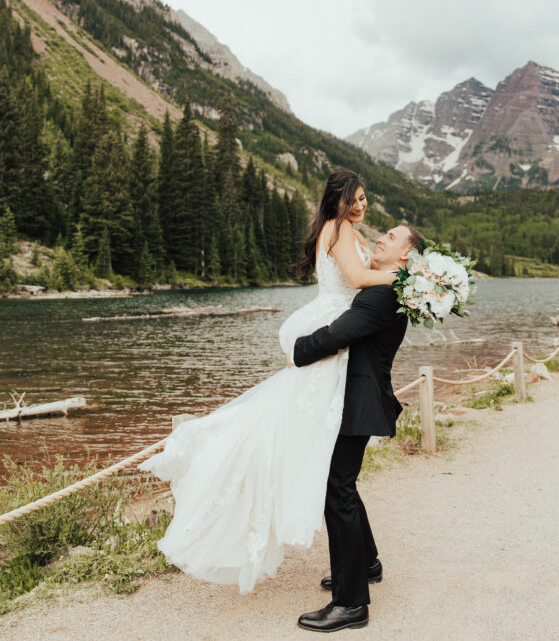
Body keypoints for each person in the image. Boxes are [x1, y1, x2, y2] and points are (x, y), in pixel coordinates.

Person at [139, 170, 397, 595]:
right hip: (333, 327)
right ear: (338, 198)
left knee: (334, 468)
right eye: (356, 197)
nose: (362, 204)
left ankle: (363, 562)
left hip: (342, 329)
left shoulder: (344, 230)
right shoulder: (337, 229)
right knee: (320, 455)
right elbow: (356, 280)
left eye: (366, 198)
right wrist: (406, 279)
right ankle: (358, 564)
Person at [291, 222, 425, 633]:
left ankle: (351, 604)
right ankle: (366, 564)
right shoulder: (391, 288)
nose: (381, 238)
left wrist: (297, 349)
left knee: (338, 490)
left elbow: (340, 334)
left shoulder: (382, 293)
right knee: (343, 484)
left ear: (404, 256)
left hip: (358, 402)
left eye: (390, 237)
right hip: (360, 398)